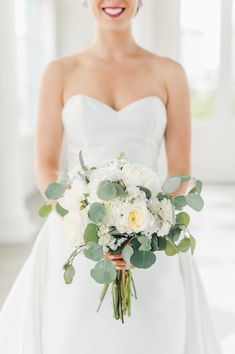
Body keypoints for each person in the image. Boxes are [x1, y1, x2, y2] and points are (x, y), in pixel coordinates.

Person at [0, 1, 223, 353]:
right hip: (74, 238)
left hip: (152, 241)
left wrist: (143, 227)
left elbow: (180, 170)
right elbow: (44, 166)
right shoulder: (60, 72)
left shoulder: (169, 73)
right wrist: (83, 218)